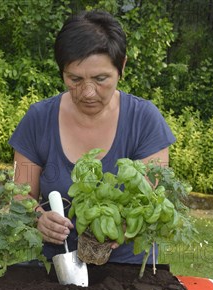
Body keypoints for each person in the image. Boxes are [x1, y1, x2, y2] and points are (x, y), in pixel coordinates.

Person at [9, 9, 175, 265]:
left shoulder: (144, 120)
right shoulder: (39, 119)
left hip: (126, 270)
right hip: (55, 267)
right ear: (62, 72)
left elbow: (148, 199)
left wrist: (126, 221)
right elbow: (21, 196)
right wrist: (38, 218)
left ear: (122, 66)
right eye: (75, 79)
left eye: (100, 79)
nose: (87, 92)